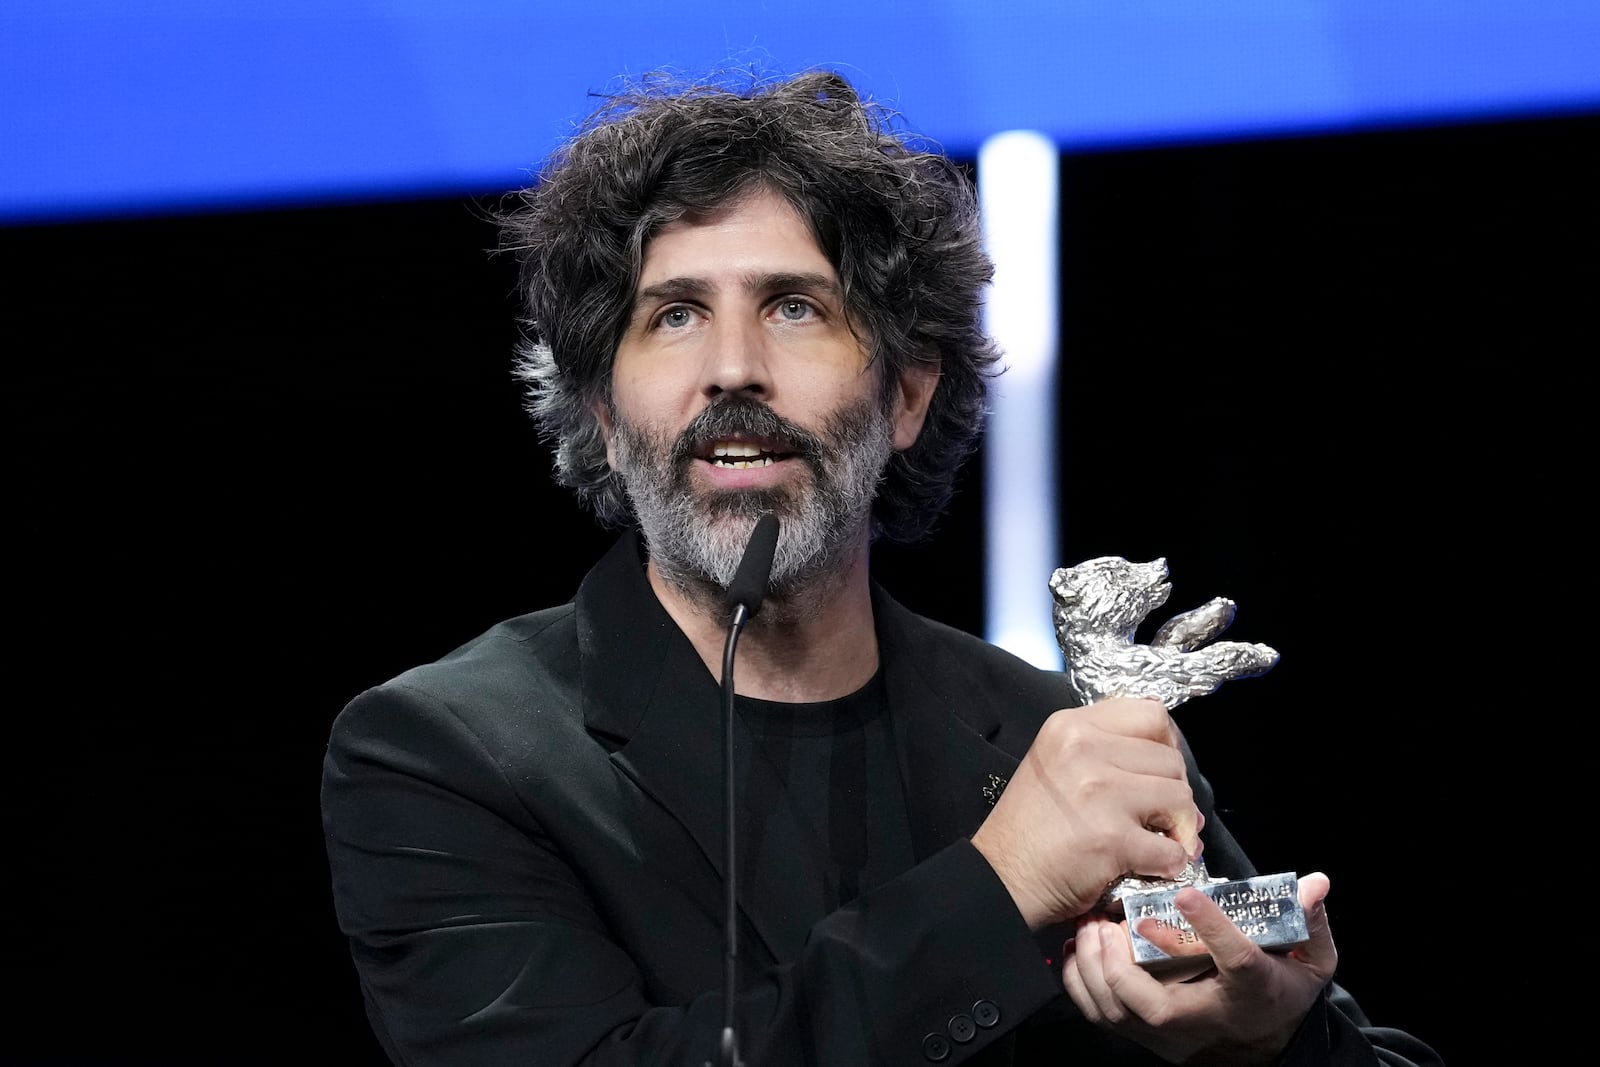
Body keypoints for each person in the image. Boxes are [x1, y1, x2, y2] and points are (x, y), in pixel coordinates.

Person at [321, 69, 1442, 1066]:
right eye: (672, 316)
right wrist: (1002, 886)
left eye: (795, 306)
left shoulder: (1055, 732)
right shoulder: (445, 753)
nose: (731, 369)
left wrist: (1275, 1037)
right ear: (606, 417)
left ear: (906, 394)